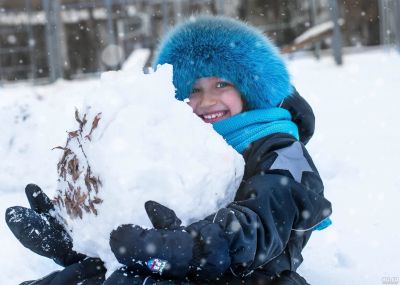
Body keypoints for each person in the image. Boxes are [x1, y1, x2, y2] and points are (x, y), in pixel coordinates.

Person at [5, 15, 332, 285]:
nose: (206, 101)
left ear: (250, 87)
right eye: (194, 89)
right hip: (181, 273)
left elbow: (260, 224)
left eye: (222, 84)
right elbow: (138, 227)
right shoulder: (185, 148)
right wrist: (81, 241)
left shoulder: (280, 148)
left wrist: (190, 246)